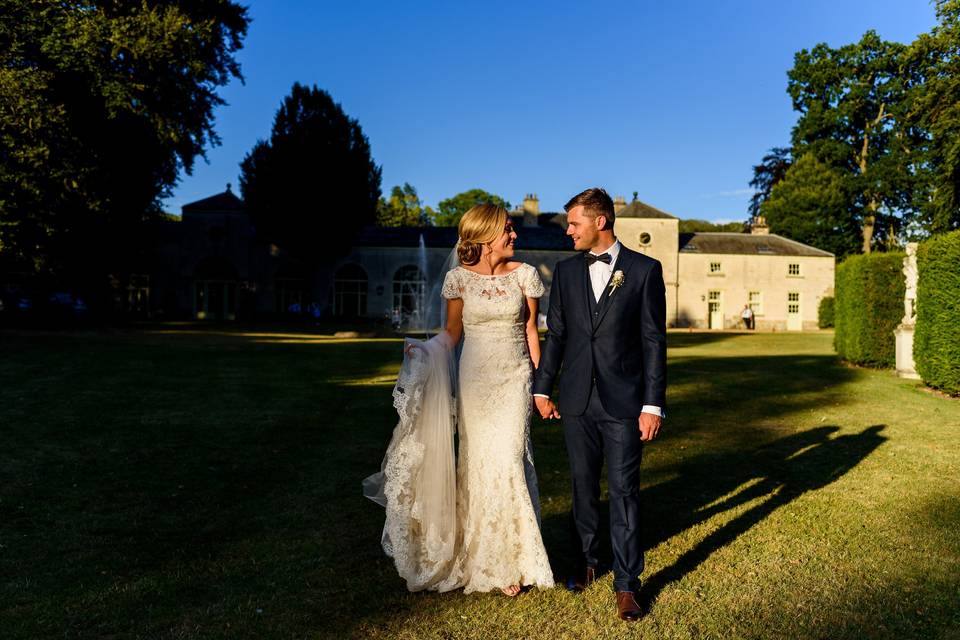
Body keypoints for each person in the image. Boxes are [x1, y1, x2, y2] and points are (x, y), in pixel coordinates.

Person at [365, 204, 554, 596]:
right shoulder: (458, 281)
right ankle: (485, 556)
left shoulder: (526, 276)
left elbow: (532, 333)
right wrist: (425, 351)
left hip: (515, 378)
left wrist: (542, 387)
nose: (515, 235)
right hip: (475, 383)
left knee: (509, 459)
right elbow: (451, 335)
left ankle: (516, 558)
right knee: (478, 465)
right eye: (507, 229)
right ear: (486, 238)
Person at [533, 187, 667, 622]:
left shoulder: (645, 270)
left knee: (625, 491)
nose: (568, 230)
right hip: (575, 400)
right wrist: (542, 388)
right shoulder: (567, 271)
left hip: (624, 402)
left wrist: (653, 404)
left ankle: (627, 585)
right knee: (582, 488)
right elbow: (558, 336)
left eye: (573, 223)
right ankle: (588, 563)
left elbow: (653, 342)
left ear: (600, 222)